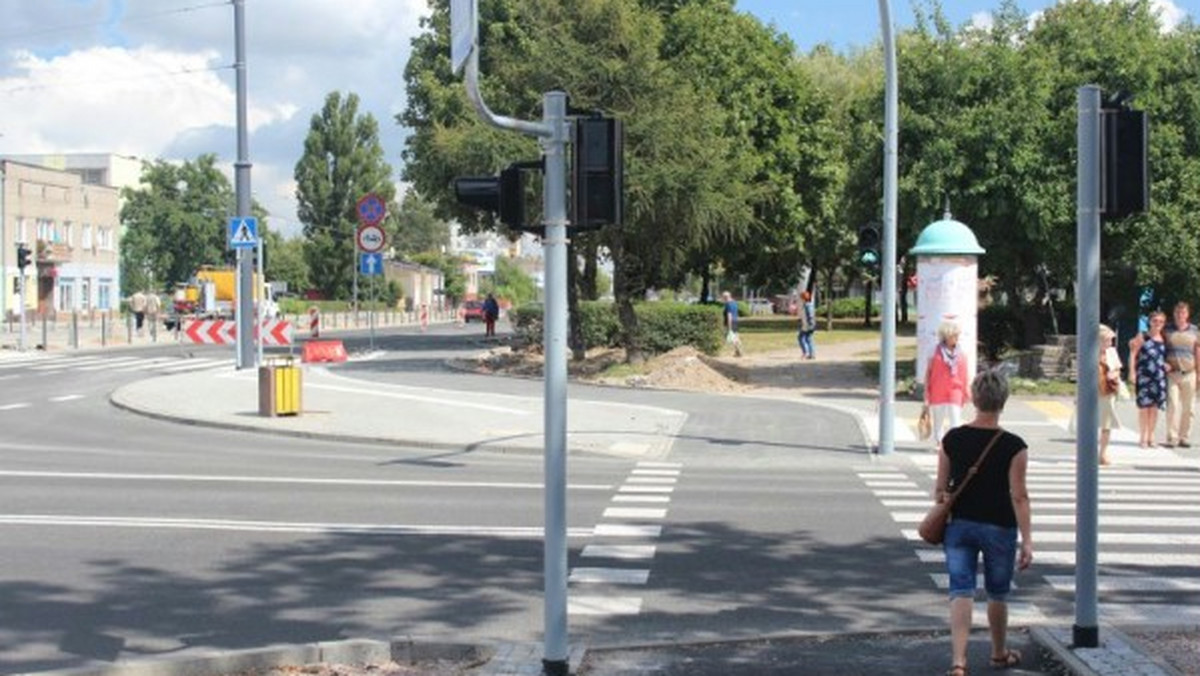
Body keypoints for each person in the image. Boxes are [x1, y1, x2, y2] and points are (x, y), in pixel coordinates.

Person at [935, 369, 1032, 676]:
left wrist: (944, 499)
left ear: (973, 399)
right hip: (1000, 526)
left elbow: (939, 490)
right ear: (1003, 401)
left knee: (960, 590)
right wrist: (1027, 540)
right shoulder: (1015, 446)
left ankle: (958, 662)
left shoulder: (952, 439)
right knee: (997, 593)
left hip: (960, 525)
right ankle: (999, 653)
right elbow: (1019, 496)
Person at [924, 320, 971, 451]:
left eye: (957, 335)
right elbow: (928, 371)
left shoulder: (962, 351)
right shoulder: (934, 350)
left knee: (955, 418)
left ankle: (954, 444)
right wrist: (926, 392)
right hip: (937, 389)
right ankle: (939, 442)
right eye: (954, 335)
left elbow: (965, 372)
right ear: (946, 336)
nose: (956, 338)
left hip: (956, 389)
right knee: (938, 419)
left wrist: (966, 390)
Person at [1161, 302, 1198, 447]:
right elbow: (1160, 347)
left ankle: (1184, 437)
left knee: (1189, 408)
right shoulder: (1167, 330)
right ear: (1174, 313)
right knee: (1173, 406)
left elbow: (1197, 351)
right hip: (1172, 374)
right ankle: (1172, 437)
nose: (1180, 315)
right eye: (1177, 312)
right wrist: (1163, 362)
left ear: (1187, 314)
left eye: (1183, 312)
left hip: (1190, 372)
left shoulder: (1194, 331)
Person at [1129, 311, 1168, 448]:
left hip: (1159, 377)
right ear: (1150, 322)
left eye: (1161, 321)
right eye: (1155, 321)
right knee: (1144, 408)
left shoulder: (1164, 337)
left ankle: (1151, 435)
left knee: (1154, 408)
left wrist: (1167, 365)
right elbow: (1133, 354)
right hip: (1144, 376)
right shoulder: (1143, 336)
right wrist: (1132, 372)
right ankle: (1143, 437)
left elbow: (1165, 357)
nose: (1157, 324)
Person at [1098, 324, 1123, 466]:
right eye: (1107, 340)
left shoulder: (1112, 352)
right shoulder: (1090, 351)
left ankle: (1103, 452)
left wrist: (1113, 374)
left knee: (1106, 424)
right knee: (1089, 424)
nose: (1110, 343)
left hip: (1108, 391)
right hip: (1092, 391)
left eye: (1111, 340)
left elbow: (1118, 369)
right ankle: (1087, 451)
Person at [721, 291, 742, 357]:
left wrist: (729, 326)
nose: (723, 299)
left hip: (730, 322)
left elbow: (729, 315)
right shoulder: (735, 303)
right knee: (735, 336)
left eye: (723, 297)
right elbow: (736, 313)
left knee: (731, 337)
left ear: (726, 297)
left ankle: (738, 350)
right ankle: (738, 350)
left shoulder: (728, 304)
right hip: (735, 321)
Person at [797, 291, 816, 360]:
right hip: (808, 324)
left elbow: (810, 316)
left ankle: (805, 353)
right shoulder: (808, 304)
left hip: (807, 325)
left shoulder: (807, 305)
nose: (800, 299)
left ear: (803, 298)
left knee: (800, 338)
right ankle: (812, 354)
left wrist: (810, 325)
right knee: (809, 339)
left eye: (801, 298)